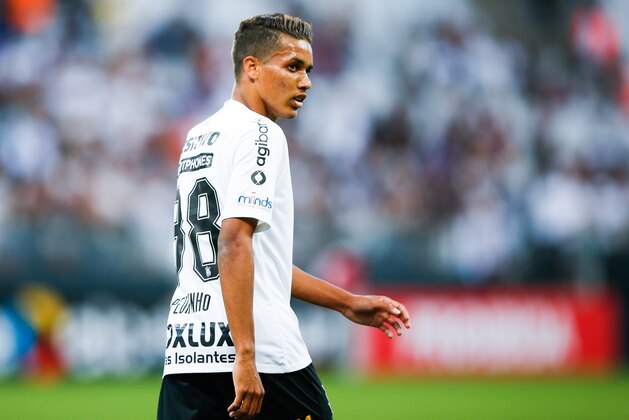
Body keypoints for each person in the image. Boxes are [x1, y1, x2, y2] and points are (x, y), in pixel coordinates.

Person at [157, 13, 411, 420]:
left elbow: (256, 259)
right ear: (251, 68)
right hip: (261, 354)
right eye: (292, 67)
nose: (306, 81)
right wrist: (245, 356)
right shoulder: (262, 134)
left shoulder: (198, 135)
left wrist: (347, 304)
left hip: (187, 355)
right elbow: (234, 241)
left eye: (308, 70)